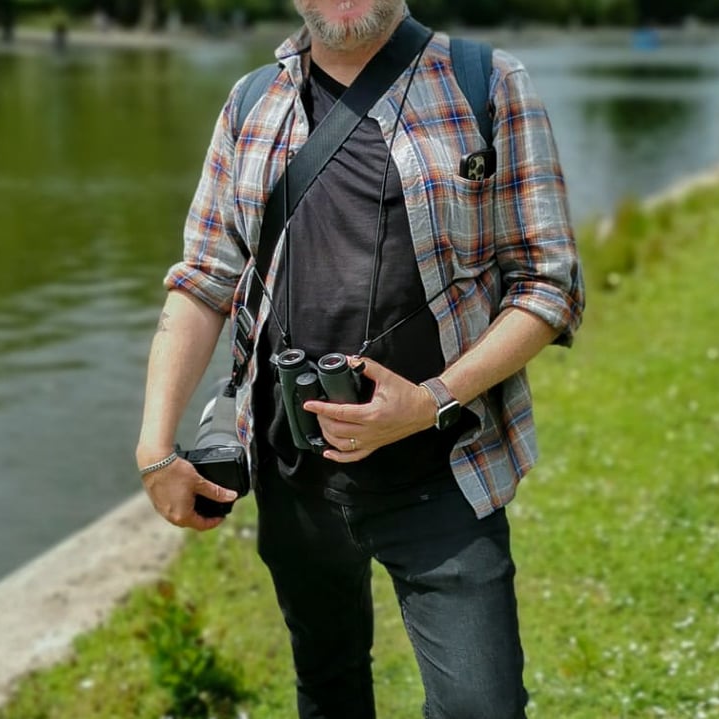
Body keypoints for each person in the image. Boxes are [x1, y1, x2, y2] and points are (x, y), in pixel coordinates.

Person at [136, 1, 585, 717]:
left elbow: (548, 284)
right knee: (329, 688)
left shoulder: (488, 83)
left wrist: (432, 397)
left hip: (444, 475)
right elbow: (202, 282)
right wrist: (156, 447)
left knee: (483, 706)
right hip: (294, 479)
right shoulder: (251, 101)